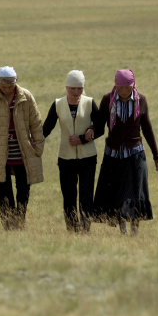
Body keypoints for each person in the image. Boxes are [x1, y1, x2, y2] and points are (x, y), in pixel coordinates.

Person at [92, 69, 158, 236]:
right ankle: (122, 230)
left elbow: (147, 129)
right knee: (117, 192)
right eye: (120, 88)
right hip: (113, 155)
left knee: (135, 193)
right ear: (115, 86)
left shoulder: (141, 101)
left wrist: (156, 155)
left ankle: (135, 229)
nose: (124, 92)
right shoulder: (107, 100)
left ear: (133, 86)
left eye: (127, 88)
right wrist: (89, 133)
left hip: (135, 155)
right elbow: (100, 124)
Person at [0, 66, 45, 230]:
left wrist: (38, 146)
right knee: (5, 191)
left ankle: (20, 222)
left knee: (24, 190)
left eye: (10, 86)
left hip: (23, 152)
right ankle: (8, 225)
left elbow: (36, 123)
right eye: (4, 86)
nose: (7, 89)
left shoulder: (26, 97)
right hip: (1, 155)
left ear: (15, 83)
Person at [43, 70, 100, 233]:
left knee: (86, 196)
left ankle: (85, 230)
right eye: (73, 88)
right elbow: (47, 128)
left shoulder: (89, 103)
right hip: (66, 158)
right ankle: (72, 230)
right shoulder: (57, 104)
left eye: (79, 88)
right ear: (66, 87)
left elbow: (100, 127)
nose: (76, 92)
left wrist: (83, 137)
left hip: (88, 158)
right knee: (68, 197)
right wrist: (33, 141)